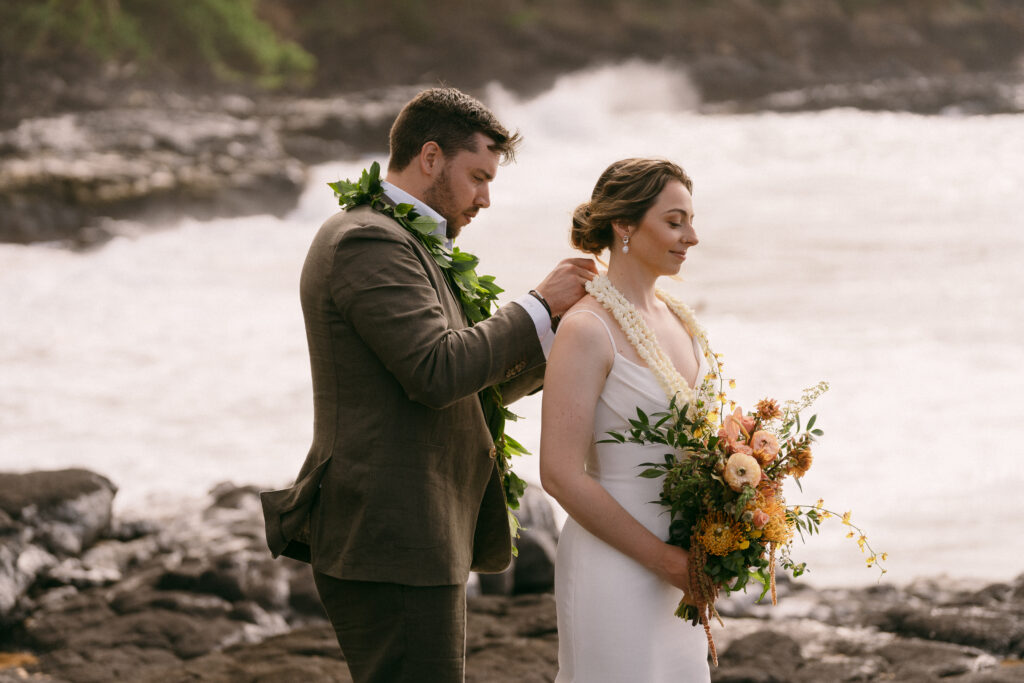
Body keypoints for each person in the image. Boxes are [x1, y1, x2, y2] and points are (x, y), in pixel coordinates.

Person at [260, 87, 597, 682]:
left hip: (411, 534)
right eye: (478, 177)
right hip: (391, 533)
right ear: (432, 157)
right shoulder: (367, 240)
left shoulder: (408, 243)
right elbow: (437, 372)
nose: (486, 199)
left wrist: (564, 341)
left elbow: (467, 382)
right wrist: (540, 304)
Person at [540, 158, 712, 681]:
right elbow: (559, 474)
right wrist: (663, 560)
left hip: (682, 568)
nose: (692, 237)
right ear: (625, 226)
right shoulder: (587, 327)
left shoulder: (681, 320)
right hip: (613, 565)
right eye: (675, 221)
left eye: (690, 221)